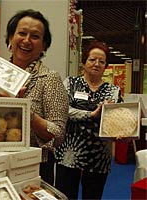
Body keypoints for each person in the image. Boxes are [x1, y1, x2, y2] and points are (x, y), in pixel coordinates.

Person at [0, 9, 69, 185]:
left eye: (35, 36)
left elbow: (58, 134)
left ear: (44, 45)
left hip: (31, 167)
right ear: (10, 38)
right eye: (21, 33)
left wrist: (23, 110)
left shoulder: (50, 78)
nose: (26, 40)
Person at [55, 41, 123, 200]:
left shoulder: (113, 91)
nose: (97, 64)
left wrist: (122, 132)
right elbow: (63, 111)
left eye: (102, 61)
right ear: (84, 62)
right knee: (65, 196)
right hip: (69, 153)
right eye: (92, 59)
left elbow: (117, 120)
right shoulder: (71, 83)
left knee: (93, 196)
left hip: (99, 156)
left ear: (106, 66)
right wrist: (92, 115)